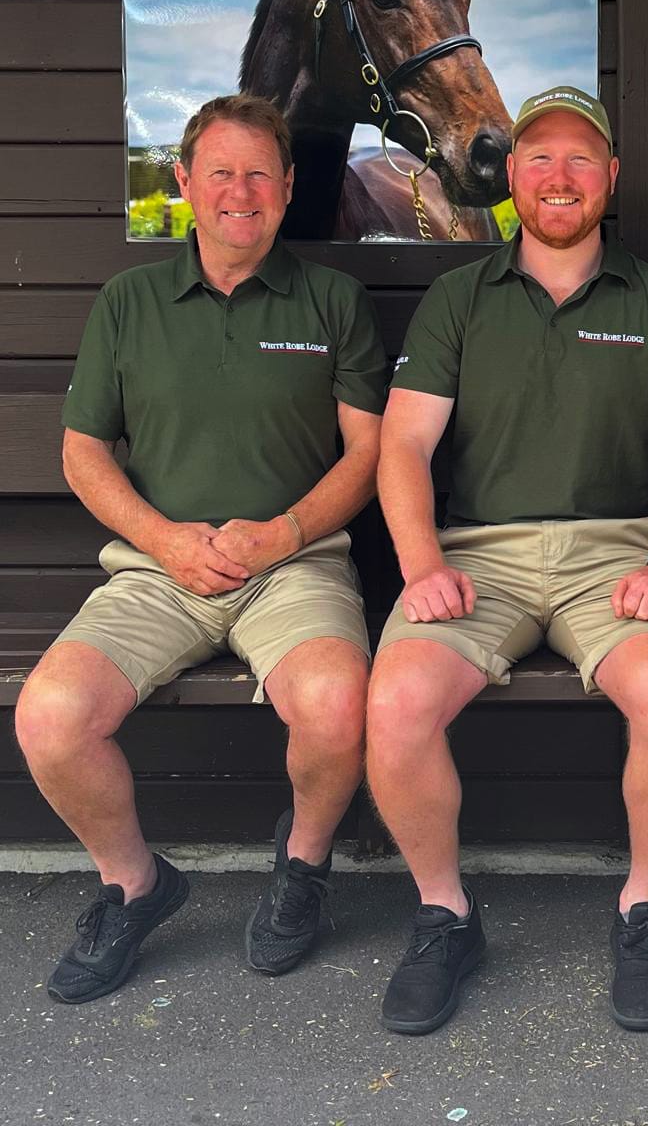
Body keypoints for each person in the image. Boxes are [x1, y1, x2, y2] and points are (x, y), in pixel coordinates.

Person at [368, 85, 648, 1035]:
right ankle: (444, 916)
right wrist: (419, 564)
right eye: (538, 158)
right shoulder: (459, 298)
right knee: (396, 702)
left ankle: (644, 909)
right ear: (513, 177)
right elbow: (403, 443)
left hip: (617, 553)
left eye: (579, 158)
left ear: (610, 176)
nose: (558, 176)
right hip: (476, 556)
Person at [15, 95, 387, 1003]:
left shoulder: (333, 299)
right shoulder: (130, 300)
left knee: (338, 704)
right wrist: (163, 539)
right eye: (220, 172)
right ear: (185, 181)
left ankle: (302, 867)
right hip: (158, 567)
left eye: (259, 173)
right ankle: (134, 885)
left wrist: (284, 533)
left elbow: (369, 453)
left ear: (289, 186)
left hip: (293, 564)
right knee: (50, 718)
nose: (240, 192)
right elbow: (82, 452)